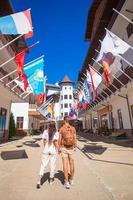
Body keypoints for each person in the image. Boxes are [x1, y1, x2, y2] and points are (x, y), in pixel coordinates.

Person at [36, 123, 59, 189]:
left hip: (46, 149)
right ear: (54, 126)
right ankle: (51, 180)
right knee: (52, 165)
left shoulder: (45, 131)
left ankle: (39, 181)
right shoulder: (56, 133)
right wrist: (59, 149)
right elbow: (55, 142)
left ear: (48, 126)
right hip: (53, 150)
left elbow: (44, 141)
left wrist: (46, 147)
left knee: (43, 165)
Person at [59, 116, 77, 189]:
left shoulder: (62, 129)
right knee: (72, 164)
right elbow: (75, 138)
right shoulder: (73, 128)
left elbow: (59, 139)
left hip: (64, 148)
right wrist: (75, 146)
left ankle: (66, 182)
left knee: (65, 164)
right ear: (69, 121)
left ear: (64, 121)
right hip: (71, 147)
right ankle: (71, 180)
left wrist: (59, 148)